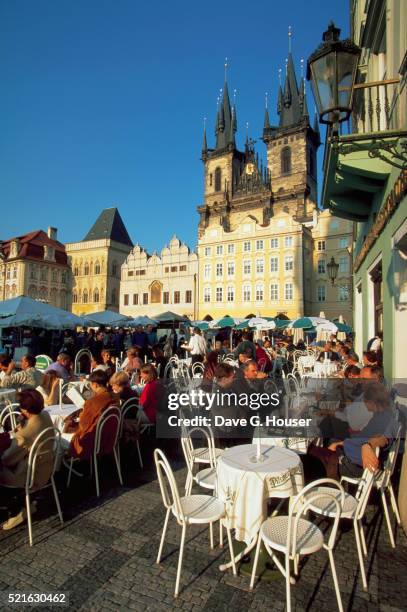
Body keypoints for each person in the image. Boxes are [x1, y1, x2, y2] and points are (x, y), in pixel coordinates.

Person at [0, 389, 54, 530]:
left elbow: (8, 460)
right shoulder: (46, 415)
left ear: (26, 410)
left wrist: (15, 435)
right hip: (47, 467)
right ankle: (25, 504)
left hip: (31, 476)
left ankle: (17, 510)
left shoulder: (25, 434)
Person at [65, 370, 115, 460]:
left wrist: (80, 416)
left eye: (91, 384)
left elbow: (84, 425)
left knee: (60, 435)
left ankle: (57, 470)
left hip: (94, 439)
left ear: (95, 385)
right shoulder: (114, 397)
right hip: (110, 436)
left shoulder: (93, 402)